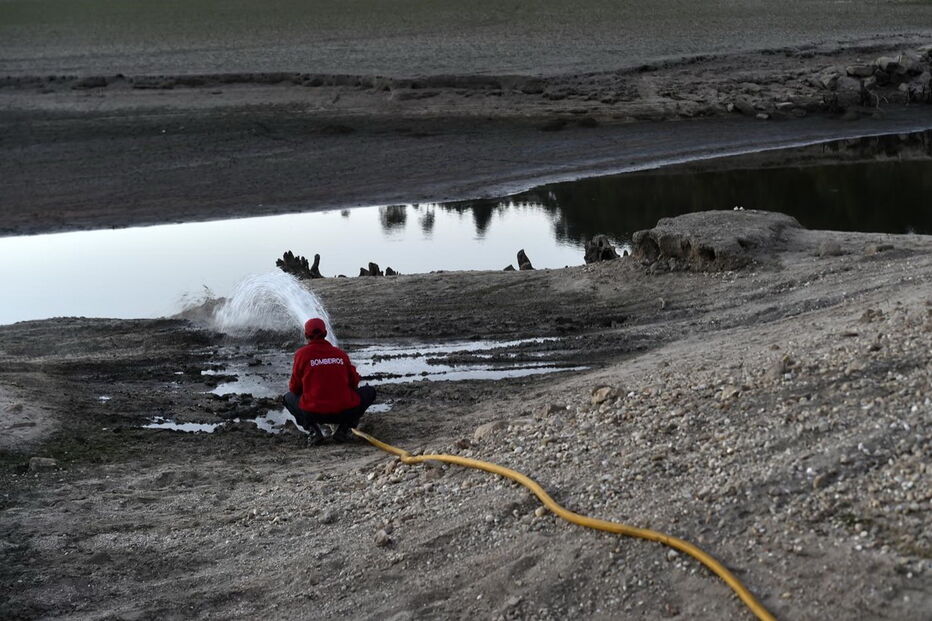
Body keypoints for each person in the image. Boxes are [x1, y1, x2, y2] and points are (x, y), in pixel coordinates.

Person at [282, 318, 376, 445]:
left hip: (312, 413)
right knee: (369, 392)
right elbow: (354, 383)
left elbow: (294, 388)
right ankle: (343, 430)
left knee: (288, 398)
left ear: (306, 335)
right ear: (325, 333)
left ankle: (314, 431)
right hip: (344, 412)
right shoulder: (340, 354)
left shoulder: (301, 355)